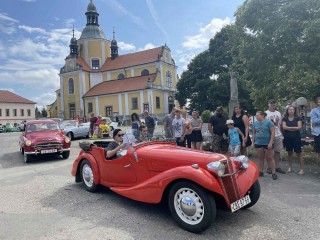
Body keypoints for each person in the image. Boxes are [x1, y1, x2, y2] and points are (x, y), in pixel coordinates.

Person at [251, 111, 277, 180]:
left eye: (258, 115)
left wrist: (271, 142)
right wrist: (253, 142)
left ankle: (274, 172)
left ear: (262, 115)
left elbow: (272, 132)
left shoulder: (269, 122)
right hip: (258, 142)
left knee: (270, 157)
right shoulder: (255, 124)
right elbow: (253, 133)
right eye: (256, 115)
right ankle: (261, 171)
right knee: (260, 157)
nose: (256, 117)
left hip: (267, 142)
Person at [265, 99, 286, 174]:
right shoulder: (265, 113)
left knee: (277, 151)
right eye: (271, 104)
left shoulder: (278, 113)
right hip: (269, 135)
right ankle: (269, 167)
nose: (272, 105)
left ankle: (277, 167)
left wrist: (281, 133)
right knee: (269, 152)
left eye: (273, 104)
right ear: (268, 104)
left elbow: (280, 124)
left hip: (278, 134)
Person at [282, 105, 304, 174]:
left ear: (294, 110)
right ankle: (290, 167)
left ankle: (302, 169)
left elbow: (299, 127)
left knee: (299, 153)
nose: (291, 111)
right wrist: (294, 128)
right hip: (288, 138)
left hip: (296, 138)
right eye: (290, 109)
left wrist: (289, 128)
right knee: (289, 153)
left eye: (292, 109)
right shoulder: (285, 118)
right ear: (287, 111)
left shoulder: (298, 118)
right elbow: (284, 127)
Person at [311, 96, 320, 166]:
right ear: (318, 102)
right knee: (319, 151)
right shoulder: (314, 111)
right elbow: (314, 121)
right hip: (318, 133)